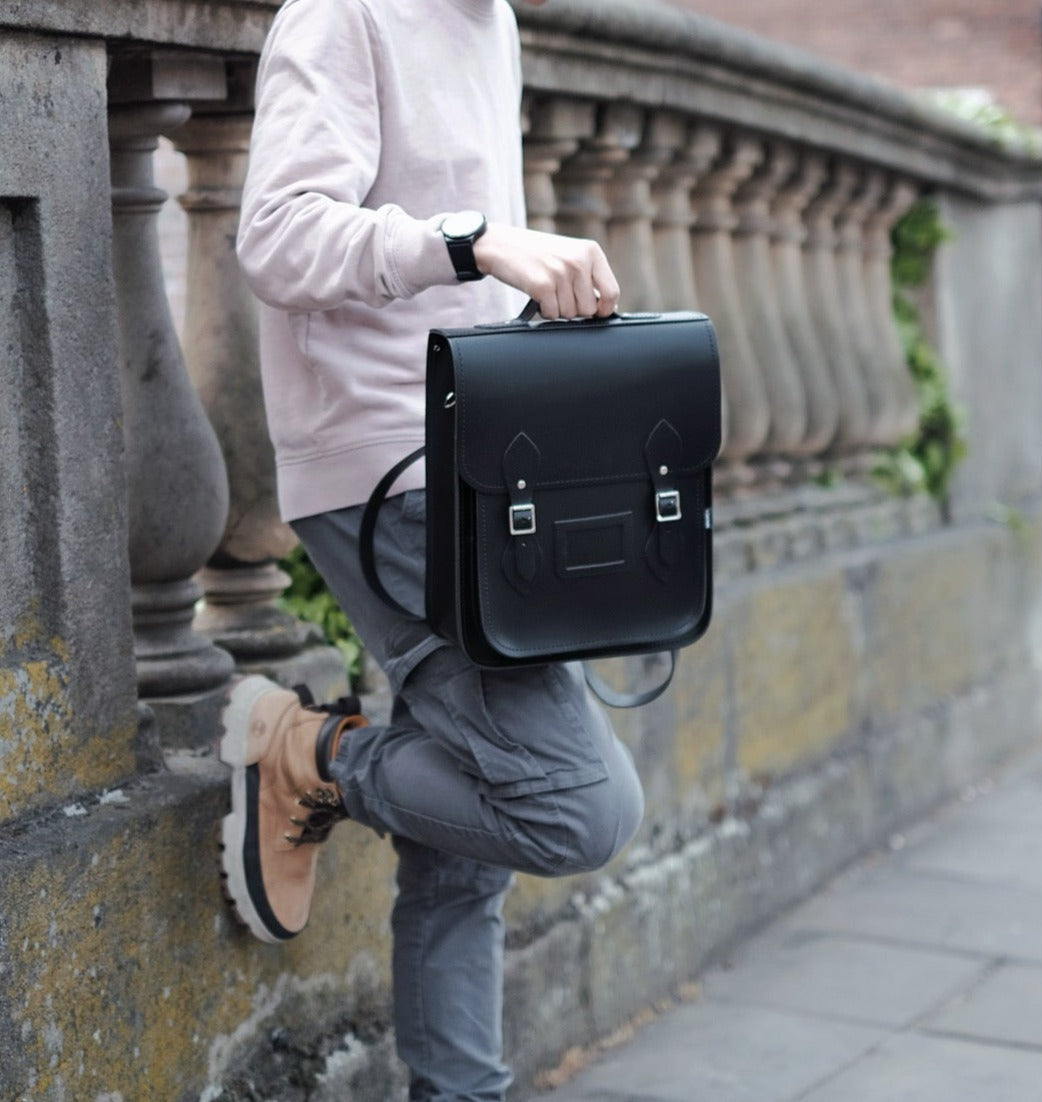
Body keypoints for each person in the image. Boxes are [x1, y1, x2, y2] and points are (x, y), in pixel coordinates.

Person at [223, 0, 646, 1098]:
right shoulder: (344, 13)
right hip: (382, 473)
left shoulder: (488, 19)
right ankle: (309, 754)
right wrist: (468, 238)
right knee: (572, 807)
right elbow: (275, 234)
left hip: (474, 459)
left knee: (466, 844)